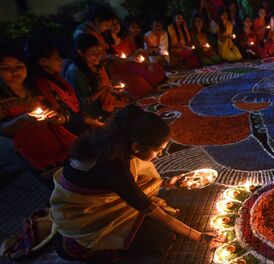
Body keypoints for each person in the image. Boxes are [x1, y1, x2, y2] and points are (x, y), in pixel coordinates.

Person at [50, 105, 217, 262]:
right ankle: (94, 251)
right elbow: (154, 211)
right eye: (158, 150)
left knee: (162, 215)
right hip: (86, 218)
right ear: (136, 147)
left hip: (104, 194)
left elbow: (135, 182)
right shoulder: (114, 167)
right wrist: (200, 237)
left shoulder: (115, 141)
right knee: (162, 237)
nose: (159, 156)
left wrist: (167, 183)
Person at [0, 46, 76, 184]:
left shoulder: (41, 85)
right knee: (60, 188)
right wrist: (23, 119)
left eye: (19, 66)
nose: (15, 71)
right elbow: (2, 130)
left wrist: (59, 119)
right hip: (34, 153)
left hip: (62, 143)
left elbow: (68, 112)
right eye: (6, 68)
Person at [27, 40, 103, 134]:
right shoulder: (42, 84)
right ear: (43, 61)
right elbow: (62, 112)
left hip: (79, 119)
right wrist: (91, 121)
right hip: (68, 130)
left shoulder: (56, 77)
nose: (61, 61)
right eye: (57, 58)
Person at [66, 34, 128, 120]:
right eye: (94, 54)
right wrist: (105, 89)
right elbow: (86, 101)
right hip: (91, 111)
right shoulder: (75, 72)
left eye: (100, 52)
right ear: (80, 52)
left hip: (106, 101)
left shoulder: (97, 64)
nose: (98, 56)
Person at [108, 18, 166, 100]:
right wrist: (134, 56)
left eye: (116, 23)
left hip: (132, 62)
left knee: (157, 69)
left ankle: (151, 80)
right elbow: (123, 59)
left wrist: (148, 63)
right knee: (141, 84)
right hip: (123, 67)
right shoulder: (110, 43)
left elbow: (136, 55)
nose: (115, 26)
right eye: (112, 24)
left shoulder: (124, 39)